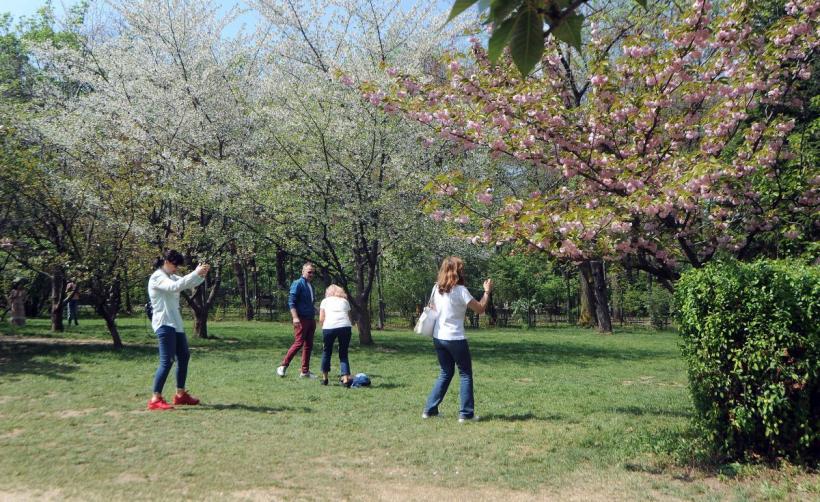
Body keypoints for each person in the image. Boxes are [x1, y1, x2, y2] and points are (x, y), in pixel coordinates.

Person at [422, 256, 493, 422]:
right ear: (457, 271)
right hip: (455, 338)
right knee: (465, 374)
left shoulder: (436, 288)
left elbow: (433, 308)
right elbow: (480, 309)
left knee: (445, 372)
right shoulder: (461, 291)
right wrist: (487, 291)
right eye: (461, 268)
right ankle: (466, 414)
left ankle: (429, 410)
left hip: (438, 337)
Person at [146, 250, 210, 411]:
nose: (177, 269)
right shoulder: (158, 277)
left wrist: (201, 275)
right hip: (164, 323)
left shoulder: (171, 276)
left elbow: (186, 283)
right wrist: (195, 273)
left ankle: (180, 395)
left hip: (175, 323)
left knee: (184, 356)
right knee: (167, 361)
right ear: (166, 262)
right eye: (175, 265)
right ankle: (155, 399)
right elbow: (174, 287)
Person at [277, 263, 318, 378]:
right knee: (299, 343)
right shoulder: (297, 283)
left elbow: (309, 303)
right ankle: (283, 366)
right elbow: (291, 302)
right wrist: (295, 317)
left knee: (308, 345)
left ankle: (305, 372)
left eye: (313, 272)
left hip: (310, 319)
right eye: (309, 272)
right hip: (301, 319)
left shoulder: (311, 286)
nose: (311, 274)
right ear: (303, 271)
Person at [318, 284, 353, 386]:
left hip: (329, 326)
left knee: (326, 351)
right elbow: (349, 317)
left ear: (328, 292)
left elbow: (321, 319)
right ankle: (345, 378)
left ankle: (325, 379)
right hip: (345, 326)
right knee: (343, 352)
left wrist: (324, 328)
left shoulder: (325, 301)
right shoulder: (345, 301)